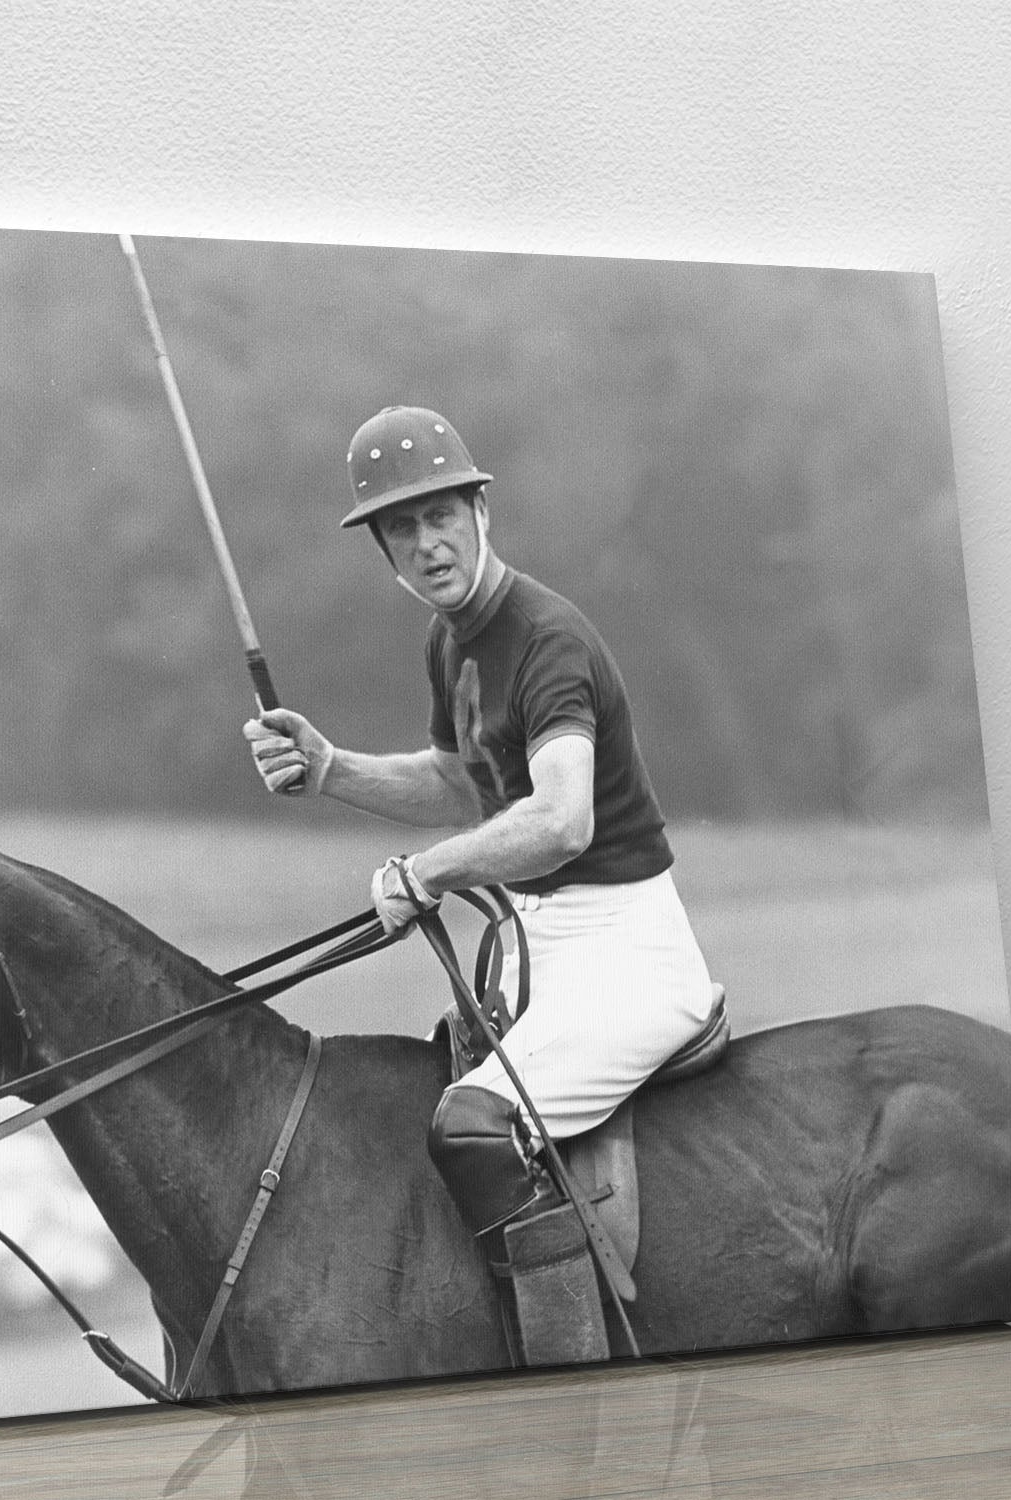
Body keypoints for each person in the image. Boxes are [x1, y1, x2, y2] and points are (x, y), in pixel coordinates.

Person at [243, 406, 718, 1338]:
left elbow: (560, 817)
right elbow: (467, 782)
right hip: (544, 945)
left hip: (628, 949)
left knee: (474, 1125)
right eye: (401, 530)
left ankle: (582, 1392)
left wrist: (428, 875)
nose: (426, 546)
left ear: (480, 511)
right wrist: (333, 769)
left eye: (440, 517)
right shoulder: (451, 640)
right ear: (383, 550)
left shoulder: (548, 639)